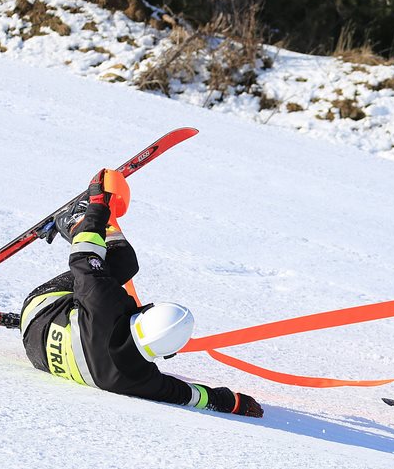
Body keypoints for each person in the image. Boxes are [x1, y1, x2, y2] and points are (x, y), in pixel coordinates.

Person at [20, 168, 263, 417]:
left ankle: (73, 220)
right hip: (38, 351)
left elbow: (85, 255)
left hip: (40, 310)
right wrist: (231, 403)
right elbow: (191, 395)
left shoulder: (105, 305)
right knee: (104, 276)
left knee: (122, 259)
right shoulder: (139, 380)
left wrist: (98, 206)